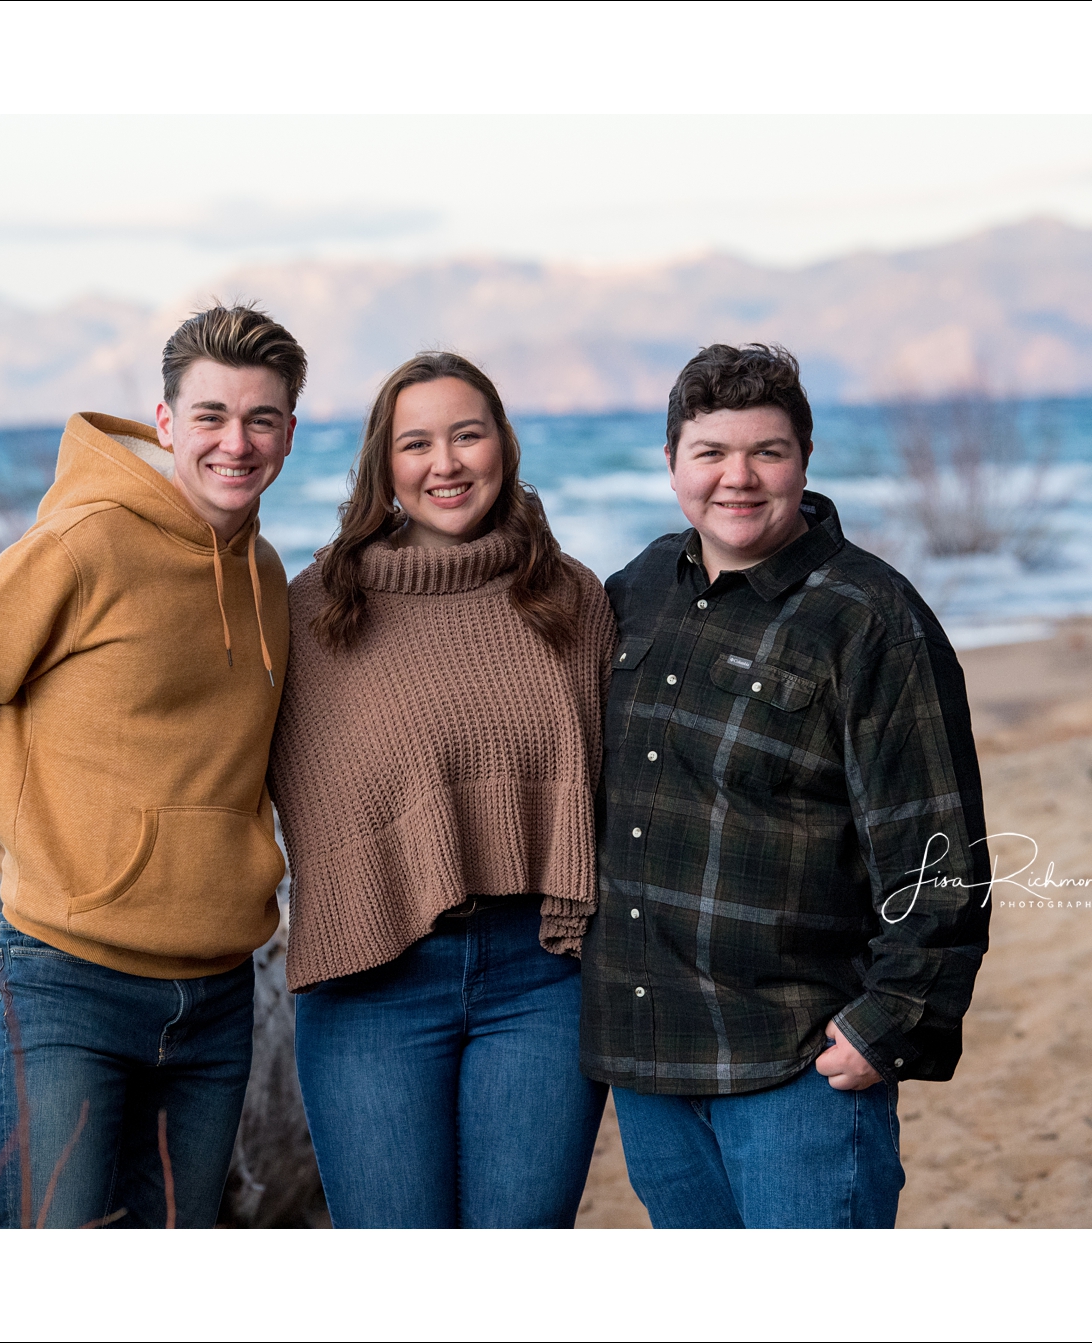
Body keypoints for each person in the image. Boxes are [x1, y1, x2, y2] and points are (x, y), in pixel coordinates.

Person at [0, 304, 307, 1228]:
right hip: (71, 978)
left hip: (219, 991)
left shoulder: (269, 575)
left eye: (261, 419)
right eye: (211, 416)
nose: (236, 442)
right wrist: (33, 820)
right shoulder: (84, 544)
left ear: (286, 435)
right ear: (165, 423)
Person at [580, 342, 991, 1229]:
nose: (738, 478)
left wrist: (894, 1019)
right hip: (651, 1057)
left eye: (766, 452)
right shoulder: (640, 586)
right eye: (711, 453)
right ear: (671, 463)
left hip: (795, 1061)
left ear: (803, 459)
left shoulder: (869, 619)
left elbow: (939, 848)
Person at [267, 351, 615, 1228]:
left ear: (505, 444)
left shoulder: (571, 598)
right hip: (370, 978)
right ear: (383, 465)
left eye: (468, 434)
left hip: (542, 975)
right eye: (416, 442)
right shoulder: (314, 611)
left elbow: (620, 787)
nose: (446, 463)